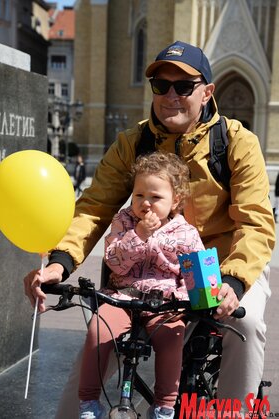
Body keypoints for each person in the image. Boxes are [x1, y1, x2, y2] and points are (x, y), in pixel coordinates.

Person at [24, 40, 275, 418]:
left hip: (221, 268)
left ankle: (233, 413)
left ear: (207, 92)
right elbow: (93, 208)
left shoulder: (237, 142)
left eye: (183, 86)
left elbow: (255, 222)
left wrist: (234, 282)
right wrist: (59, 263)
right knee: (89, 363)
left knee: (247, 326)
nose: (170, 95)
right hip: (146, 273)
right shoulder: (133, 142)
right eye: (161, 85)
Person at [79, 151, 205, 419]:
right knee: (97, 330)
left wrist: (187, 300)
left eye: (156, 197)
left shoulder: (186, 232)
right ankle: (89, 401)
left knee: (172, 338)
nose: (145, 204)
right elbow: (114, 261)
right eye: (139, 195)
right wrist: (138, 235)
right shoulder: (124, 221)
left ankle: (164, 405)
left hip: (165, 303)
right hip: (123, 297)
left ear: (176, 200)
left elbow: (198, 276)